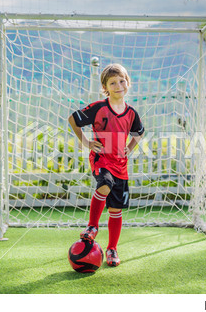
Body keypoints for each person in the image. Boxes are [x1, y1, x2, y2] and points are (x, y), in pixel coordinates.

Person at [68, 63, 144, 267]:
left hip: (121, 165)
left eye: (122, 81)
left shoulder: (131, 113)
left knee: (116, 210)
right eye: (113, 83)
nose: (118, 85)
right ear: (105, 88)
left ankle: (112, 249)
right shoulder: (98, 108)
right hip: (101, 158)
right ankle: (92, 227)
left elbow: (139, 132)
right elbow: (73, 120)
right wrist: (85, 142)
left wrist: (130, 147)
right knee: (104, 184)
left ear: (128, 83)